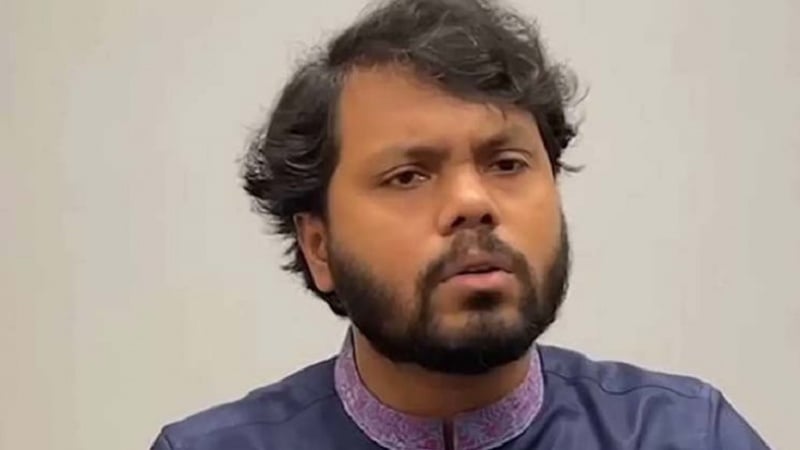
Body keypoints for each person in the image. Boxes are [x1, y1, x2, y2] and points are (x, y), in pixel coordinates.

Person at [151, 0, 769, 448]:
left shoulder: (688, 435)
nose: (473, 202)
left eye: (506, 164)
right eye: (408, 176)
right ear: (319, 247)